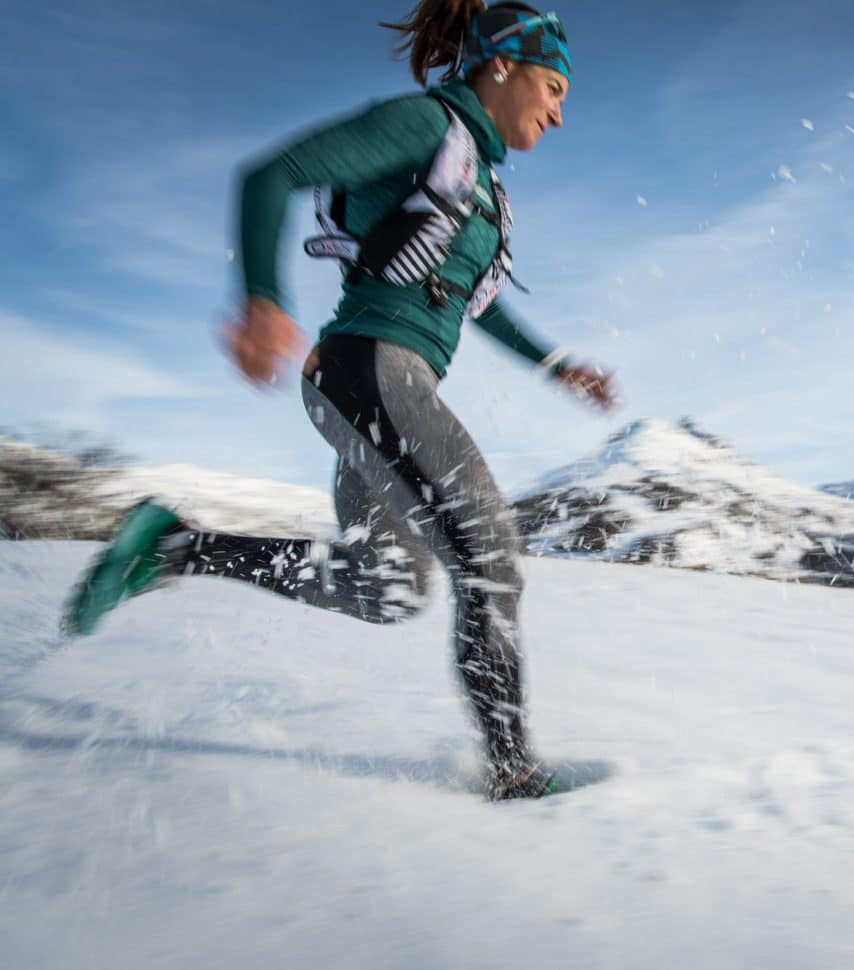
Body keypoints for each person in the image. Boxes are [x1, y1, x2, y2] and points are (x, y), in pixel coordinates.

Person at [61, 0, 617, 800]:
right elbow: (271, 175)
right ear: (502, 64)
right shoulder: (427, 125)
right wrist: (260, 297)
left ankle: (176, 546)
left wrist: (557, 363)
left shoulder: (477, 180)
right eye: (554, 86)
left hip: (373, 384)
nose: (560, 113)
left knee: (382, 588)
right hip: (370, 372)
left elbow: (470, 298)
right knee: (489, 558)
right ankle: (515, 774)